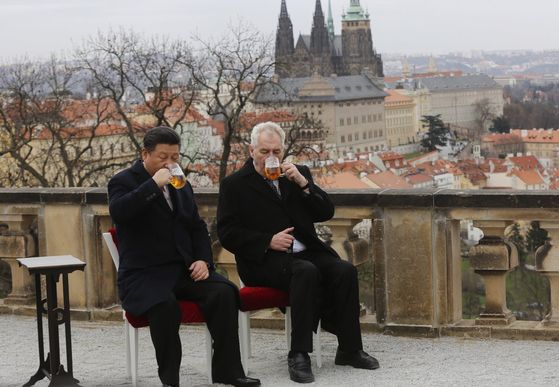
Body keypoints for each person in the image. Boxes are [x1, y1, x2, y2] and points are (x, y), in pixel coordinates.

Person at [216, 121, 379, 384]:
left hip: (306, 252)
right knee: (305, 272)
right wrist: (267, 241)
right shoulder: (234, 184)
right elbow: (227, 233)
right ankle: (299, 353)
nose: (271, 158)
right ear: (251, 150)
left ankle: (349, 349)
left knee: (344, 270)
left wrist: (304, 185)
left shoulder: (296, 174)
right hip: (264, 260)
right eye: (264, 152)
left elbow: (325, 212)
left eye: (276, 152)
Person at [108, 126, 260, 387]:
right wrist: (153, 185)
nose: (169, 163)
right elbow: (120, 212)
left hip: (182, 270)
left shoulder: (180, 184)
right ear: (145, 154)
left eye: (175, 158)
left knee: (224, 293)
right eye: (163, 157)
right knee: (164, 306)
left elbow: (196, 226)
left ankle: (228, 371)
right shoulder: (123, 181)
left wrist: (202, 259)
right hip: (145, 274)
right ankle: (170, 380)